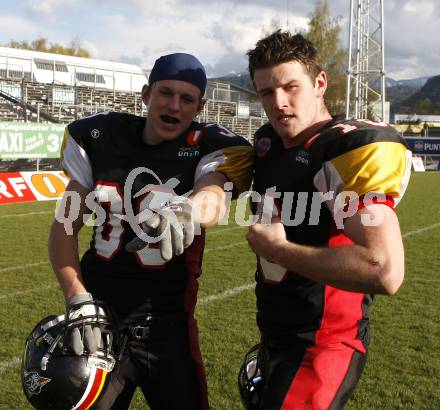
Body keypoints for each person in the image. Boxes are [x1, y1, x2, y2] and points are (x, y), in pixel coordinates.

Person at [49, 52, 253, 410]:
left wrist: (188, 207)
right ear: (146, 94)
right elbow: (64, 228)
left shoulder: (206, 146)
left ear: (199, 106)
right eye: (165, 93)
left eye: (186, 98)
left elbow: (213, 195)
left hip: (166, 327)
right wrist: (77, 297)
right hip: (99, 320)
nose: (174, 106)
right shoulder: (100, 137)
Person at [243, 30, 411, 409]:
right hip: (276, 335)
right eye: (267, 92)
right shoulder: (266, 143)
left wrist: (281, 251)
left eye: (290, 87)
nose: (279, 102)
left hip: (324, 345)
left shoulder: (343, 148)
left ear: (320, 83)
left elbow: (383, 269)